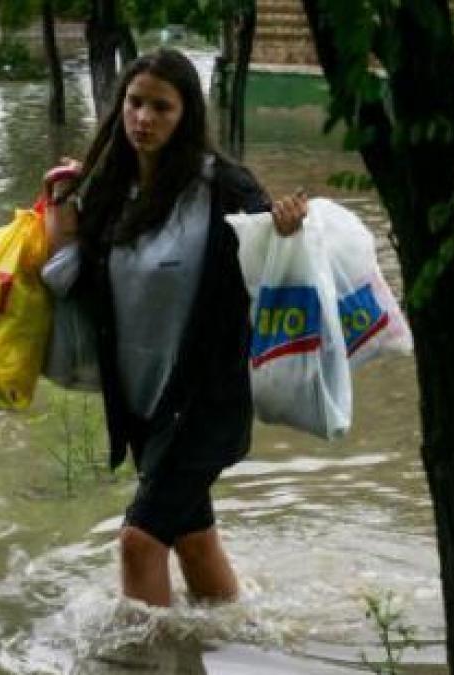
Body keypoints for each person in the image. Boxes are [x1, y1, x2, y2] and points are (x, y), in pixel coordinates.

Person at [39, 47, 308, 608]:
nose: (144, 118)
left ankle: (147, 653)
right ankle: (237, 636)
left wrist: (286, 231)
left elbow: (272, 276)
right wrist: (62, 206)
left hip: (206, 398)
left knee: (139, 542)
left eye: (161, 107)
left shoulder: (225, 188)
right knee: (191, 537)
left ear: (187, 115)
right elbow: (68, 280)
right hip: (141, 404)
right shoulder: (109, 189)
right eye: (135, 103)